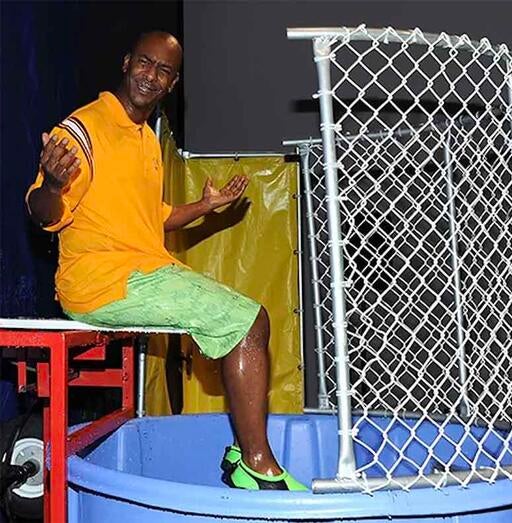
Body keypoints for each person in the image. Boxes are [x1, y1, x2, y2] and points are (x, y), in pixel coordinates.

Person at [26, 31, 307, 491]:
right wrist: (54, 186)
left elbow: (150, 218)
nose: (149, 76)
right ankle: (257, 464)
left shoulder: (145, 139)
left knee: (247, 323)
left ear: (172, 83)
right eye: (144, 63)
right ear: (125, 63)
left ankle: (246, 452)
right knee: (249, 322)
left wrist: (204, 205)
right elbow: (43, 214)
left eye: (163, 71)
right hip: (102, 281)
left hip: (142, 269)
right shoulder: (83, 130)